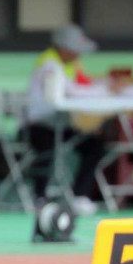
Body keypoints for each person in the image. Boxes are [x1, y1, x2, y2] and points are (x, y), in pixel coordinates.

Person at [23, 24, 108, 214]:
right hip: (39, 124)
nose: (78, 55)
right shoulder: (50, 64)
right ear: (63, 48)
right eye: (75, 51)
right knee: (46, 148)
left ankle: (79, 196)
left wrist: (104, 85)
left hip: (61, 124)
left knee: (95, 145)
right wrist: (106, 90)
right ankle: (40, 197)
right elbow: (71, 91)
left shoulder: (70, 64)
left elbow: (82, 84)